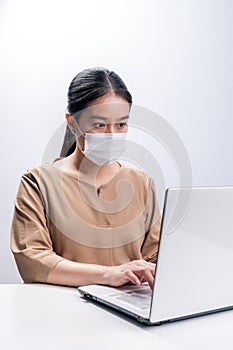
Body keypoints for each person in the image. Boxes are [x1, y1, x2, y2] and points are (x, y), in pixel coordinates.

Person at [10, 67, 161, 289]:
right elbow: (32, 260)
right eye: (100, 125)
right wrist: (107, 275)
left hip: (131, 313)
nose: (112, 134)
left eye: (121, 124)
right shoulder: (38, 183)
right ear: (73, 123)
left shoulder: (141, 183)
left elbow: (156, 258)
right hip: (64, 312)